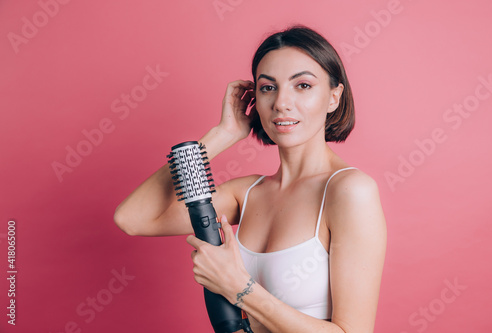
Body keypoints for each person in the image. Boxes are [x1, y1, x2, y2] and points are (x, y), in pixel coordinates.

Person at [114, 25, 387, 333]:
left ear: (334, 98)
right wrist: (223, 135)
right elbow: (132, 219)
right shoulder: (247, 193)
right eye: (268, 87)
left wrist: (239, 287)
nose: (281, 103)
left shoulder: (349, 191)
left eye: (303, 86)